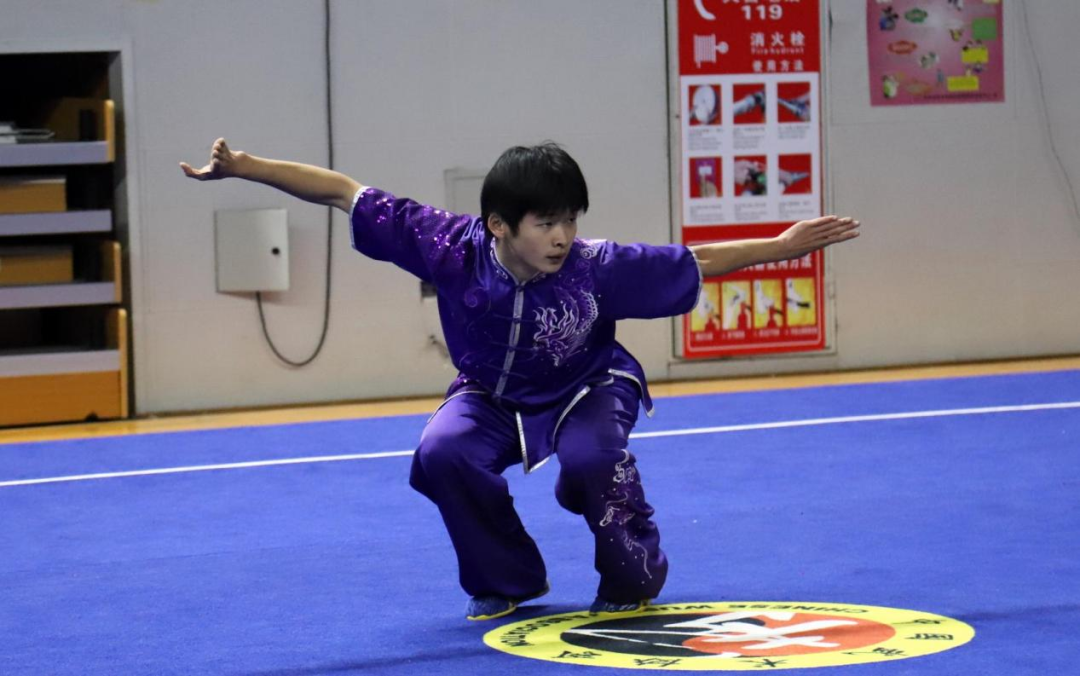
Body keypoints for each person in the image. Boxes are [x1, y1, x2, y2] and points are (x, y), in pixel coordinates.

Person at [181, 139, 860, 621]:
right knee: (442, 452)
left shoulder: (596, 265)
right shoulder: (446, 245)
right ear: (499, 226)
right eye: (546, 223)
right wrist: (245, 168)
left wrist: (781, 247)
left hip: (589, 386)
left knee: (592, 460)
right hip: (490, 392)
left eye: (570, 219)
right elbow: (342, 191)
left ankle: (631, 574)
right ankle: (507, 579)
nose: (563, 236)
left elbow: (697, 259)